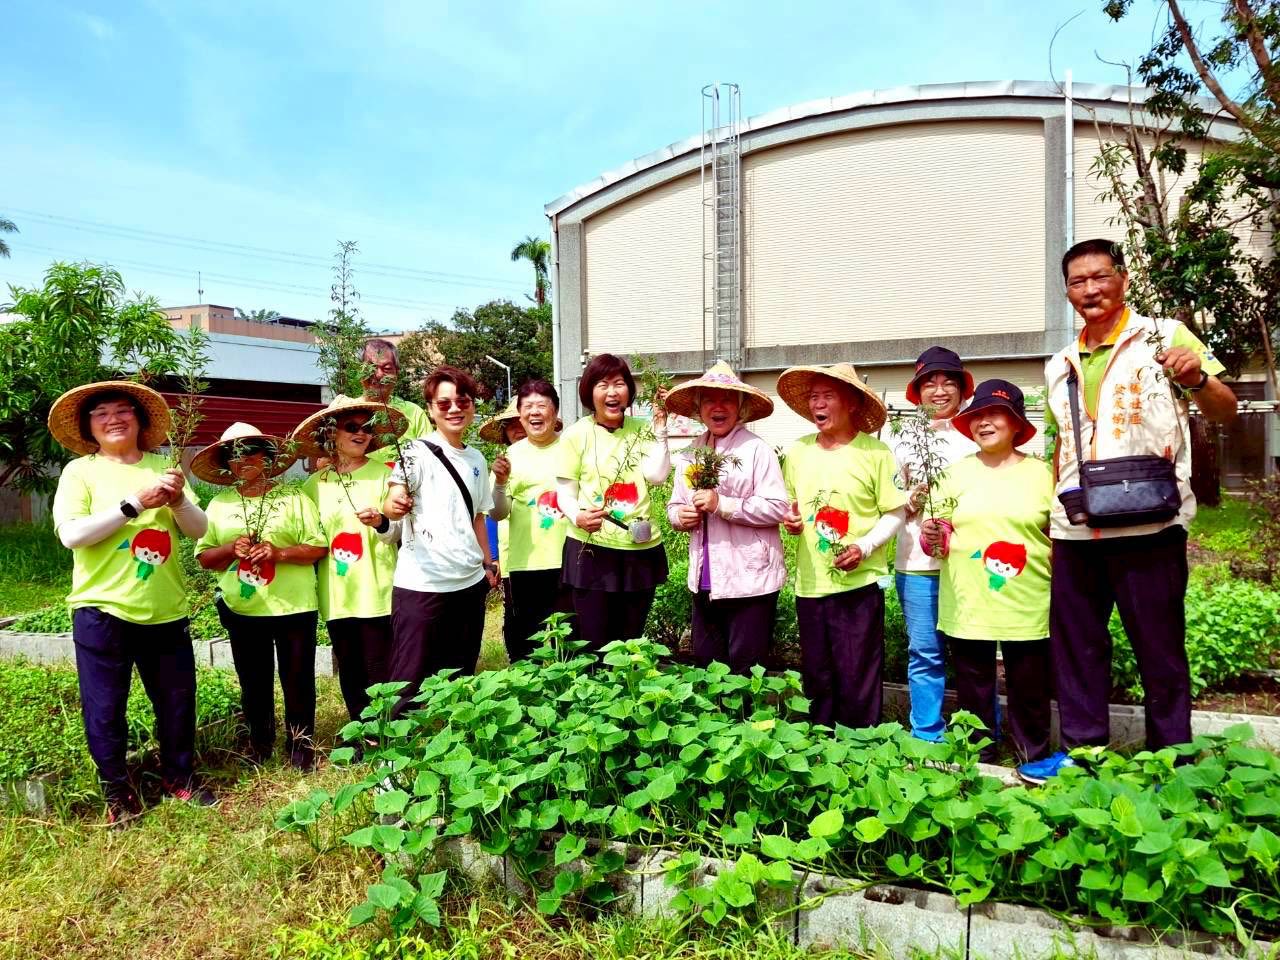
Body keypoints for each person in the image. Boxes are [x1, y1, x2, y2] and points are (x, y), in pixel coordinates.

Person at [1022, 238, 1239, 784]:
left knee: (1160, 647)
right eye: (1077, 281)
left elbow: (1227, 408)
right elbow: (1060, 448)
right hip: (1076, 529)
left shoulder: (1166, 336)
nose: (1090, 289)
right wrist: (1052, 523)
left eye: (1100, 276)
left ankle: (1173, 761)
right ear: (1066, 291)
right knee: (1076, 649)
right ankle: (1083, 755)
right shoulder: (1059, 364)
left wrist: (1196, 376)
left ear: (1122, 278)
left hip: (1152, 522)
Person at [49, 381, 214, 823]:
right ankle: (117, 795)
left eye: (123, 410)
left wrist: (178, 499)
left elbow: (199, 531)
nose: (114, 418)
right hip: (102, 610)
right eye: (101, 413)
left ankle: (179, 778)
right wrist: (132, 505)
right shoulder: (79, 472)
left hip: (165, 607)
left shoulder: (164, 466)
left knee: (177, 702)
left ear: (140, 421)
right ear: (89, 426)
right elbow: (72, 535)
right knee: (105, 708)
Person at [921, 380, 1052, 766]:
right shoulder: (954, 474)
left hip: (1027, 601)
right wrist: (934, 534)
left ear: (1016, 425)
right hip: (968, 600)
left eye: (994, 414)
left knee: (1029, 688)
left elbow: (1057, 535)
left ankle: (1034, 759)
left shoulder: (1043, 474)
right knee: (974, 687)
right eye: (977, 415)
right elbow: (938, 537)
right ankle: (980, 760)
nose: (984, 423)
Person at [778, 363, 907, 729]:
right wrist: (790, 522)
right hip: (811, 583)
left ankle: (861, 748)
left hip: (859, 584)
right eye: (814, 397)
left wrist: (864, 547)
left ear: (851, 403)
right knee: (817, 674)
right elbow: (791, 508)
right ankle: (820, 746)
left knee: (858, 674)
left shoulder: (875, 452)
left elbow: (894, 513)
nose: (818, 403)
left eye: (827, 396)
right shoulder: (799, 451)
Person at [193, 423, 328, 770]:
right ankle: (259, 742)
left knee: (297, 678)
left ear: (267, 458)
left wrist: (278, 553)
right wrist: (229, 548)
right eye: (235, 455)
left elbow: (316, 547)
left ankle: (300, 744)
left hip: (293, 605)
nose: (244, 460)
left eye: (251, 450)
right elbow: (206, 557)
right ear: (228, 465)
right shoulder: (220, 505)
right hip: (243, 607)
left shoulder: (294, 498)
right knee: (253, 679)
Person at [382, 366, 499, 712]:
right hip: (423, 584)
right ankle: (392, 754)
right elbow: (391, 502)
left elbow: (479, 515)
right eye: (444, 403)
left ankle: (452, 747)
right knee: (408, 678)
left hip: (469, 582)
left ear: (472, 406)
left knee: (460, 674)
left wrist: (487, 561)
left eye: (462, 401)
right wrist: (396, 504)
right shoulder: (414, 452)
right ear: (431, 409)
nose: (454, 409)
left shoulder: (477, 458)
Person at [665, 362, 789, 673]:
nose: (718, 407)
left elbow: (777, 507)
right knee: (709, 668)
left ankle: (747, 722)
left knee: (746, 671)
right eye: (709, 399)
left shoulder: (756, 451)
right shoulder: (691, 453)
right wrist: (682, 516)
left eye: (727, 400)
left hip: (750, 582)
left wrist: (724, 504)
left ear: (740, 407)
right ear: (698, 407)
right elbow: (673, 507)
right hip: (705, 582)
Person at [294, 397, 407, 727]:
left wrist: (380, 523)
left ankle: (389, 733)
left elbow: (399, 531)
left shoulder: (386, 475)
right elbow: (309, 537)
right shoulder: (314, 485)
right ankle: (362, 731)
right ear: (333, 434)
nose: (362, 434)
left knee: (381, 667)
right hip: (337, 594)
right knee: (351, 668)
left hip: (378, 589)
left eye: (367, 429)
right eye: (352, 428)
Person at [888, 346, 977, 742]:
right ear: (917, 392)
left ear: (962, 389)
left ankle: (981, 735)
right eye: (930, 383)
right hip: (917, 563)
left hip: (968, 561)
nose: (939, 391)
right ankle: (926, 732)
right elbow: (887, 497)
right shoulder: (904, 439)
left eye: (948, 382)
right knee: (924, 651)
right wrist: (910, 500)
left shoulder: (976, 432)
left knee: (974, 654)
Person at [556, 353, 671, 651]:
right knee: (594, 641)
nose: (612, 392)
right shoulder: (575, 435)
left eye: (619, 384)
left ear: (629, 391)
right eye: (602, 384)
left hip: (639, 548)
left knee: (630, 641)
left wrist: (660, 428)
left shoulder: (641, 430)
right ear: (589, 391)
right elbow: (565, 494)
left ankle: (626, 694)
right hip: (592, 548)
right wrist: (578, 516)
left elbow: (657, 476)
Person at [487, 381, 574, 661]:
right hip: (526, 564)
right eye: (528, 407)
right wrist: (500, 483)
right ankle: (529, 702)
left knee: (572, 643)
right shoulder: (511, 456)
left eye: (542, 405)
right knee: (526, 646)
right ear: (520, 414)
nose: (535, 413)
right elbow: (498, 512)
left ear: (555, 411)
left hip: (571, 559)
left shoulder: (574, 448)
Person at [337, 338, 432, 441]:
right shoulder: (344, 411)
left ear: (397, 373)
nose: (378, 375)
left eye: (386, 368)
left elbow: (431, 454)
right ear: (360, 372)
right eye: (371, 368)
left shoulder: (414, 413)